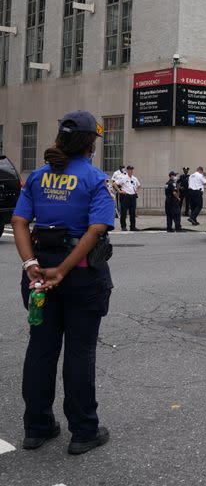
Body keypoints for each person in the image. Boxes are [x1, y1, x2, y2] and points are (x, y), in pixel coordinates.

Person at [10, 110, 114, 455]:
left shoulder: (38, 177)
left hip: (40, 273)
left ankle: (36, 427)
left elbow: (20, 221)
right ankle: (84, 431)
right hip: (81, 274)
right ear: (90, 143)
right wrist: (65, 269)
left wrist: (31, 264)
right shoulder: (95, 179)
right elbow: (96, 229)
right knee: (80, 351)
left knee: (40, 350)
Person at [115, 165, 140, 231]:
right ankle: (123, 226)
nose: (131, 171)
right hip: (126, 196)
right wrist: (119, 191)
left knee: (133, 213)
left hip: (133, 197)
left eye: (132, 169)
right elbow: (114, 184)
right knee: (124, 212)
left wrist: (136, 191)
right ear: (127, 170)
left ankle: (133, 226)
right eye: (130, 169)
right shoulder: (123, 178)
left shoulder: (134, 178)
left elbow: (139, 185)